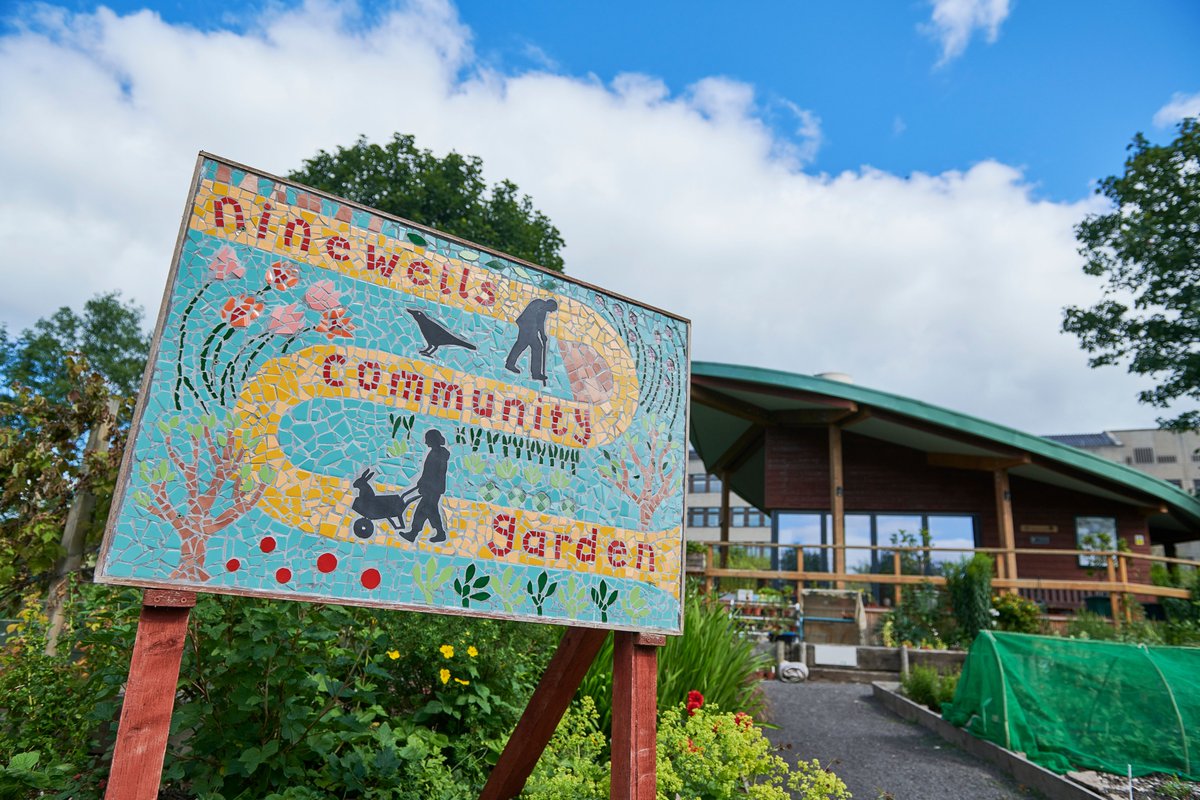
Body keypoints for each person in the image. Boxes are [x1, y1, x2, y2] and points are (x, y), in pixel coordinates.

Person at [399, 429, 450, 543]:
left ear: (433, 440)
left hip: (434, 488)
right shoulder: (434, 453)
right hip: (431, 487)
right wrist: (421, 481)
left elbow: (437, 473)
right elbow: (427, 472)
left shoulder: (439, 454)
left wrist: (426, 484)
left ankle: (418, 533)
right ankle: (419, 533)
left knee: (425, 510)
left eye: (427, 439)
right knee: (427, 511)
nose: (426, 442)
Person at [504, 298, 558, 384]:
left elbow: (540, 323)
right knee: (532, 346)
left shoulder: (542, 307)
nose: (550, 312)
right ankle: (534, 373)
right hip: (527, 328)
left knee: (523, 345)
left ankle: (511, 364)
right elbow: (536, 321)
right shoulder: (539, 304)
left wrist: (542, 335)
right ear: (549, 305)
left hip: (530, 329)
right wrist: (541, 335)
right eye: (551, 310)